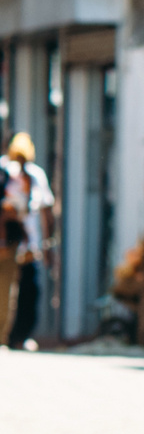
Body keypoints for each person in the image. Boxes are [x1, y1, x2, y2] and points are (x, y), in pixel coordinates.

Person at [2, 132, 54, 349]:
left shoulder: (36, 175)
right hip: (8, 241)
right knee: (6, 290)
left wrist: (48, 243)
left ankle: (20, 336)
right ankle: (4, 335)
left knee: (29, 290)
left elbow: (46, 210)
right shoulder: (4, 172)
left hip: (30, 242)